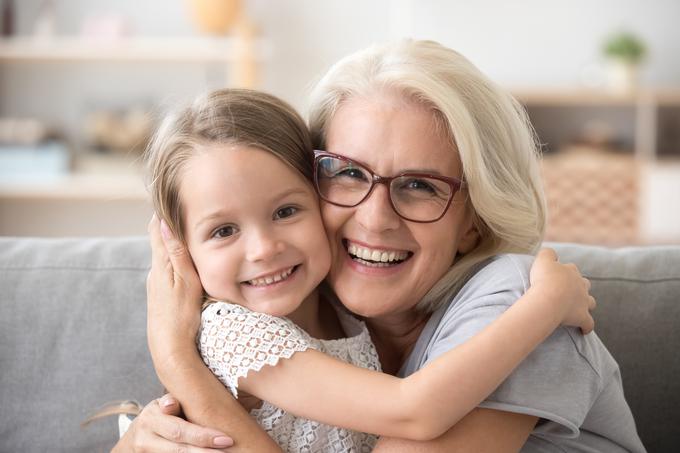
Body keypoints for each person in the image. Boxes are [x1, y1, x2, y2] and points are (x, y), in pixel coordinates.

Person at [116, 40, 644, 452]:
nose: (373, 219)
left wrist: (178, 363)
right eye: (347, 173)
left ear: (474, 223)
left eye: (420, 185)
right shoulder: (287, 311)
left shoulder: (513, 300)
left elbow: (414, 409)